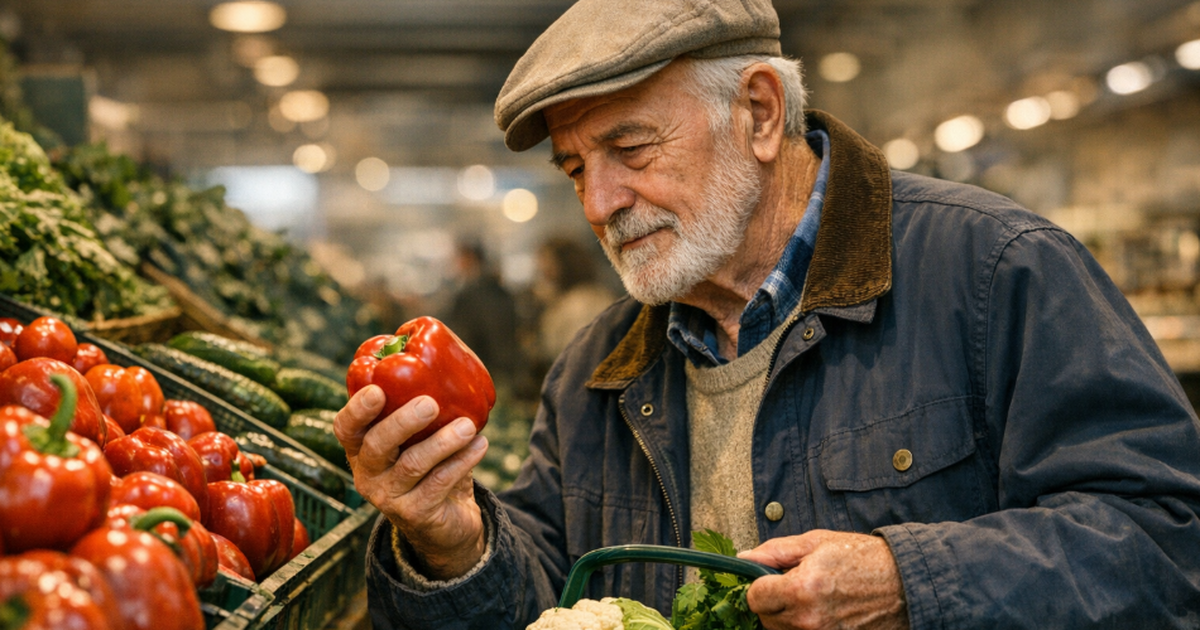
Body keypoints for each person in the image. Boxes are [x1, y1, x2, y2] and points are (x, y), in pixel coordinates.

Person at [333, 0, 1200, 627]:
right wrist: (451, 542)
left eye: (630, 147)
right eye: (574, 169)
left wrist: (911, 581)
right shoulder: (597, 374)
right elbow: (554, 598)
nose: (598, 202)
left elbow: (1164, 544)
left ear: (757, 111)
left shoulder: (996, 272)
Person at [530, 236, 618, 380]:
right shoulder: (566, 299)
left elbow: (580, 360)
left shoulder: (581, 304)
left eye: (547, 261)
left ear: (565, 263)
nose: (543, 268)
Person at [440, 240, 522, 390]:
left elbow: (463, 336)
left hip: (481, 367)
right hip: (506, 367)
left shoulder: (469, 294)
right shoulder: (500, 290)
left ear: (470, 258)